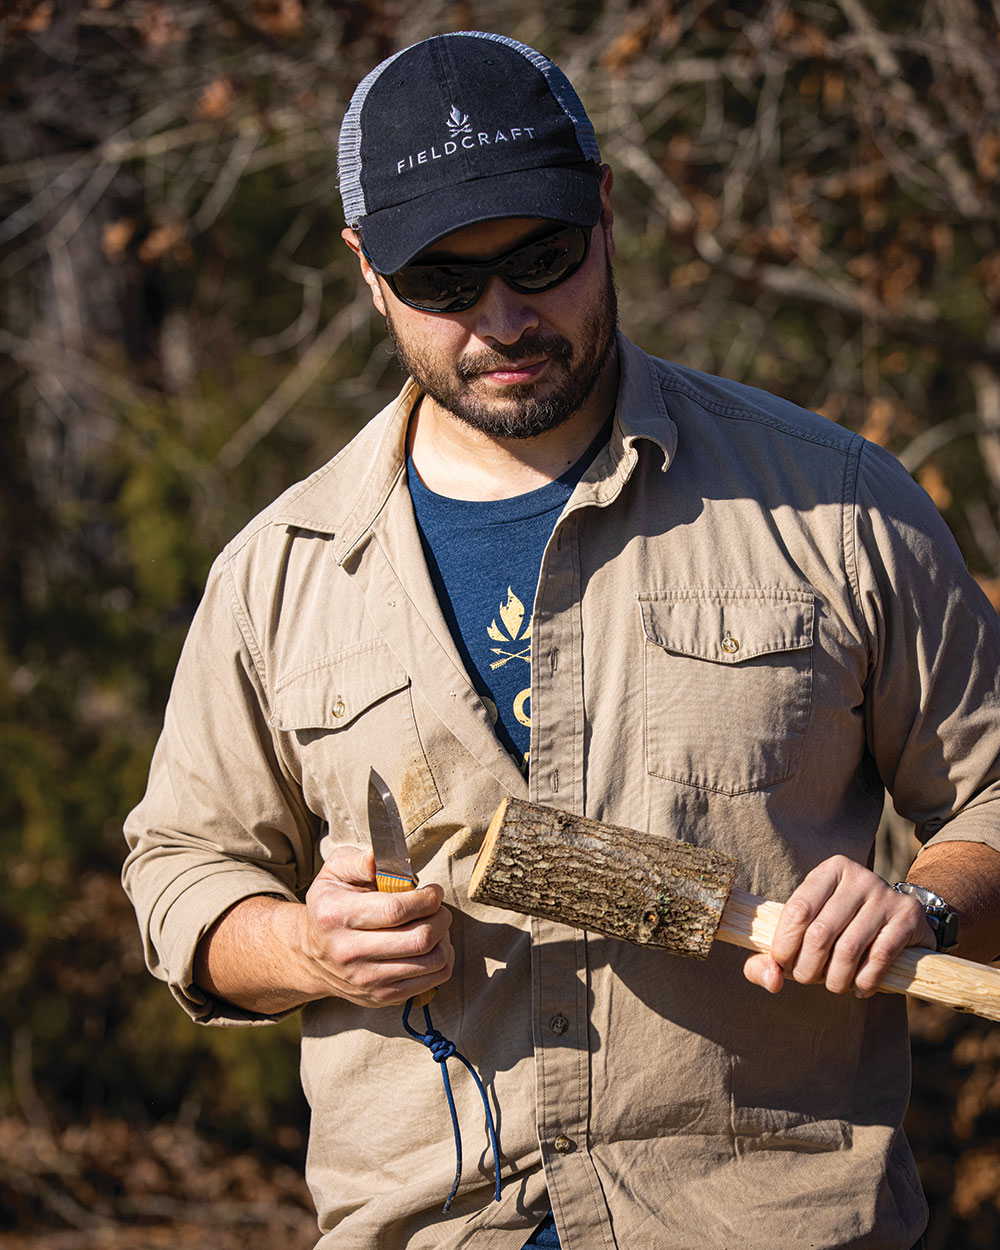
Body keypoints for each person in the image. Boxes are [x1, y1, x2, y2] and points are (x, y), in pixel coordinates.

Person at [123, 30, 1000, 1250]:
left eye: (541, 257)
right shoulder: (279, 575)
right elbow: (180, 866)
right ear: (366, 268)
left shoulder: (837, 506)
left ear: (601, 208)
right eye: (443, 281)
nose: (503, 316)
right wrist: (302, 946)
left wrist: (923, 904)